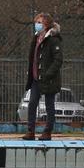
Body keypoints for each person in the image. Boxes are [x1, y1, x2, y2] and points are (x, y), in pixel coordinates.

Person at [23, 12, 63, 141]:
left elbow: (58, 60)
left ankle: (47, 131)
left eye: (40, 22)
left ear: (46, 25)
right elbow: (32, 58)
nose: (37, 25)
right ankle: (30, 131)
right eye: (36, 22)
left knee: (49, 105)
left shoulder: (53, 39)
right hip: (36, 77)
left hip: (48, 78)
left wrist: (48, 74)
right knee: (32, 103)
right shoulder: (36, 39)